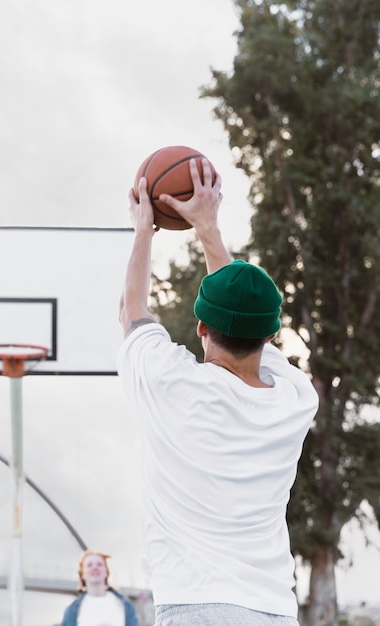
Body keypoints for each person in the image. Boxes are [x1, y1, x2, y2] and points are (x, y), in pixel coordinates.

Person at [117, 157, 319, 626]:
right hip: (273, 610)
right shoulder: (295, 398)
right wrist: (208, 227)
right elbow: (237, 306)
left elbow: (130, 309)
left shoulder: (173, 384)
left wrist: (144, 229)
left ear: (201, 326)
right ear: (270, 337)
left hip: (197, 605)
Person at [60, 549, 140, 626]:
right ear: (82, 574)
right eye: (89, 565)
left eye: (99, 564)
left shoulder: (125, 605)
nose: (95, 567)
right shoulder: (71, 611)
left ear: (106, 572)